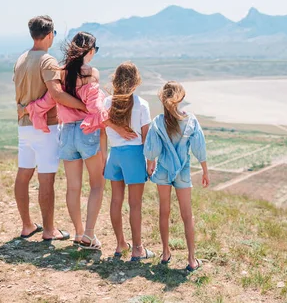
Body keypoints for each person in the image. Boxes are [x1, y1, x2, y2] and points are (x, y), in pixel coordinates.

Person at [22, 32, 124, 250]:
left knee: (73, 187)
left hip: (66, 132)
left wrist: (30, 108)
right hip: (87, 132)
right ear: (90, 50)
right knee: (97, 184)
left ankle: (78, 233)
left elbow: (50, 99)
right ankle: (89, 234)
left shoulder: (62, 73)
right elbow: (95, 108)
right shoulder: (91, 73)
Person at [13, 15, 85, 241]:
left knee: (23, 174)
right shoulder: (48, 61)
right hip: (46, 127)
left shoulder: (21, 59)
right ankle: (48, 230)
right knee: (46, 179)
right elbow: (56, 94)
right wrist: (84, 107)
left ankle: (27, 225)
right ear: (50, 34)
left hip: (24, 125)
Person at [144, 81, 210, 271]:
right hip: (182, 171)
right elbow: (199, 148)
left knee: (164, 212)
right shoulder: (190, 120)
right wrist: (205, 170)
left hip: (163, 170)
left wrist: (150, 164)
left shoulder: (157, 122)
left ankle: (165, 253)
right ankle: (191, 259)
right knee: (187, 215)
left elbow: (152, 150)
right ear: (180, 98)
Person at [103, 62, 155, 261]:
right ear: (136, 81)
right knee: (135, 204)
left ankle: (119, 244)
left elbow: (101, 122)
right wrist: (150, 162)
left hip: (114, 155)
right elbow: (146, 138)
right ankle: (137, 249)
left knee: (116, 201)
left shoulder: (107, 102)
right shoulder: (142, 104)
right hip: (134, 156)